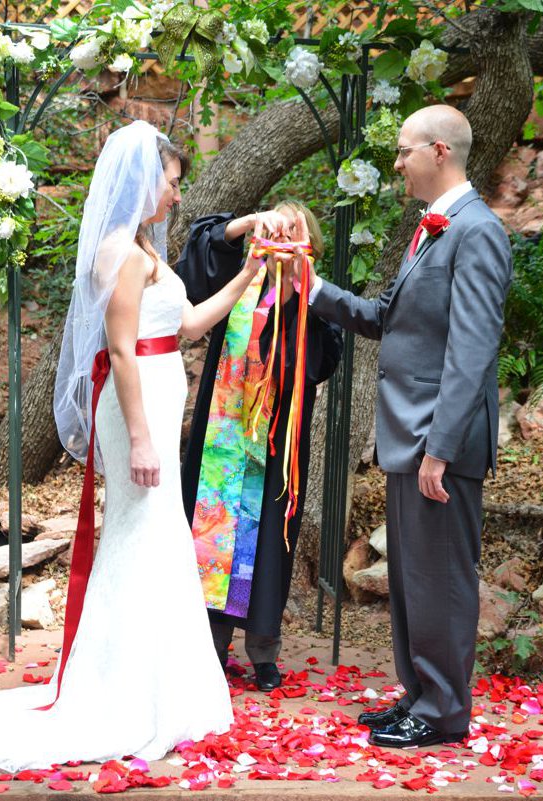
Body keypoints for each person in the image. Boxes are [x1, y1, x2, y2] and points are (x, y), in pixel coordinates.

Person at [0, 120, 265, 771]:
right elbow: (119, 349)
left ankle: (159, 686)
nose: (177, 196)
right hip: (132, 410)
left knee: (158, 538)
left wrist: (249, 273)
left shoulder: (146, 249)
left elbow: (187, 324)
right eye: (172, 183)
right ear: (145, 180)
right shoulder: (121, 251)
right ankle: (123, 692)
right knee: (140, 536)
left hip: (153, 393)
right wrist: (142, 438)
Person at [297, 105, 513, 747]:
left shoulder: (477, 232)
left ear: (439, 151)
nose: (395, 163)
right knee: (414, 578)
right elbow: (387, 316)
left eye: (402, 151)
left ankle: (444, 713)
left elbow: (471, 351)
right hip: (409, 435)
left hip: (437, 442)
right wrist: (308, 285)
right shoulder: (432, 230)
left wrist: (440, 449)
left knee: (441, 578)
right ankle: (420, 695)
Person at [176, 202, 343, 691]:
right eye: (277, 227)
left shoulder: (313, 295)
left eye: (293, 230)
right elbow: (201, 249)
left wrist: (298, 296)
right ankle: (212, 645)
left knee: (269, 534)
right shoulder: (238, 283)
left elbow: (323, 362)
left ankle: (263, 652)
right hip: (222, 439)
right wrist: (249, 225)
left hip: (276, 441)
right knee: (214, 528)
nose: (282, 237)